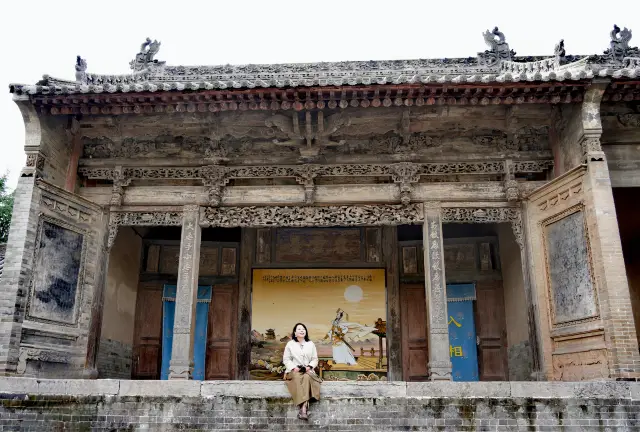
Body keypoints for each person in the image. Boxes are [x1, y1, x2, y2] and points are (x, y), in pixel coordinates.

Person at [282, 323, 321, 420]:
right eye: (299, 329)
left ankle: (303, 408)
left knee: (307, 377)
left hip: (307, 370)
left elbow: (315, 359)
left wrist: (309, 367)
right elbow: (286, 359)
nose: (302, 330)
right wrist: (294, 368)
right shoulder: (290, 344)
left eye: (303, 329)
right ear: (295, 333)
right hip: (294, 370)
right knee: (298, 377)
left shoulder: (310, 344)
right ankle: (304, 408)